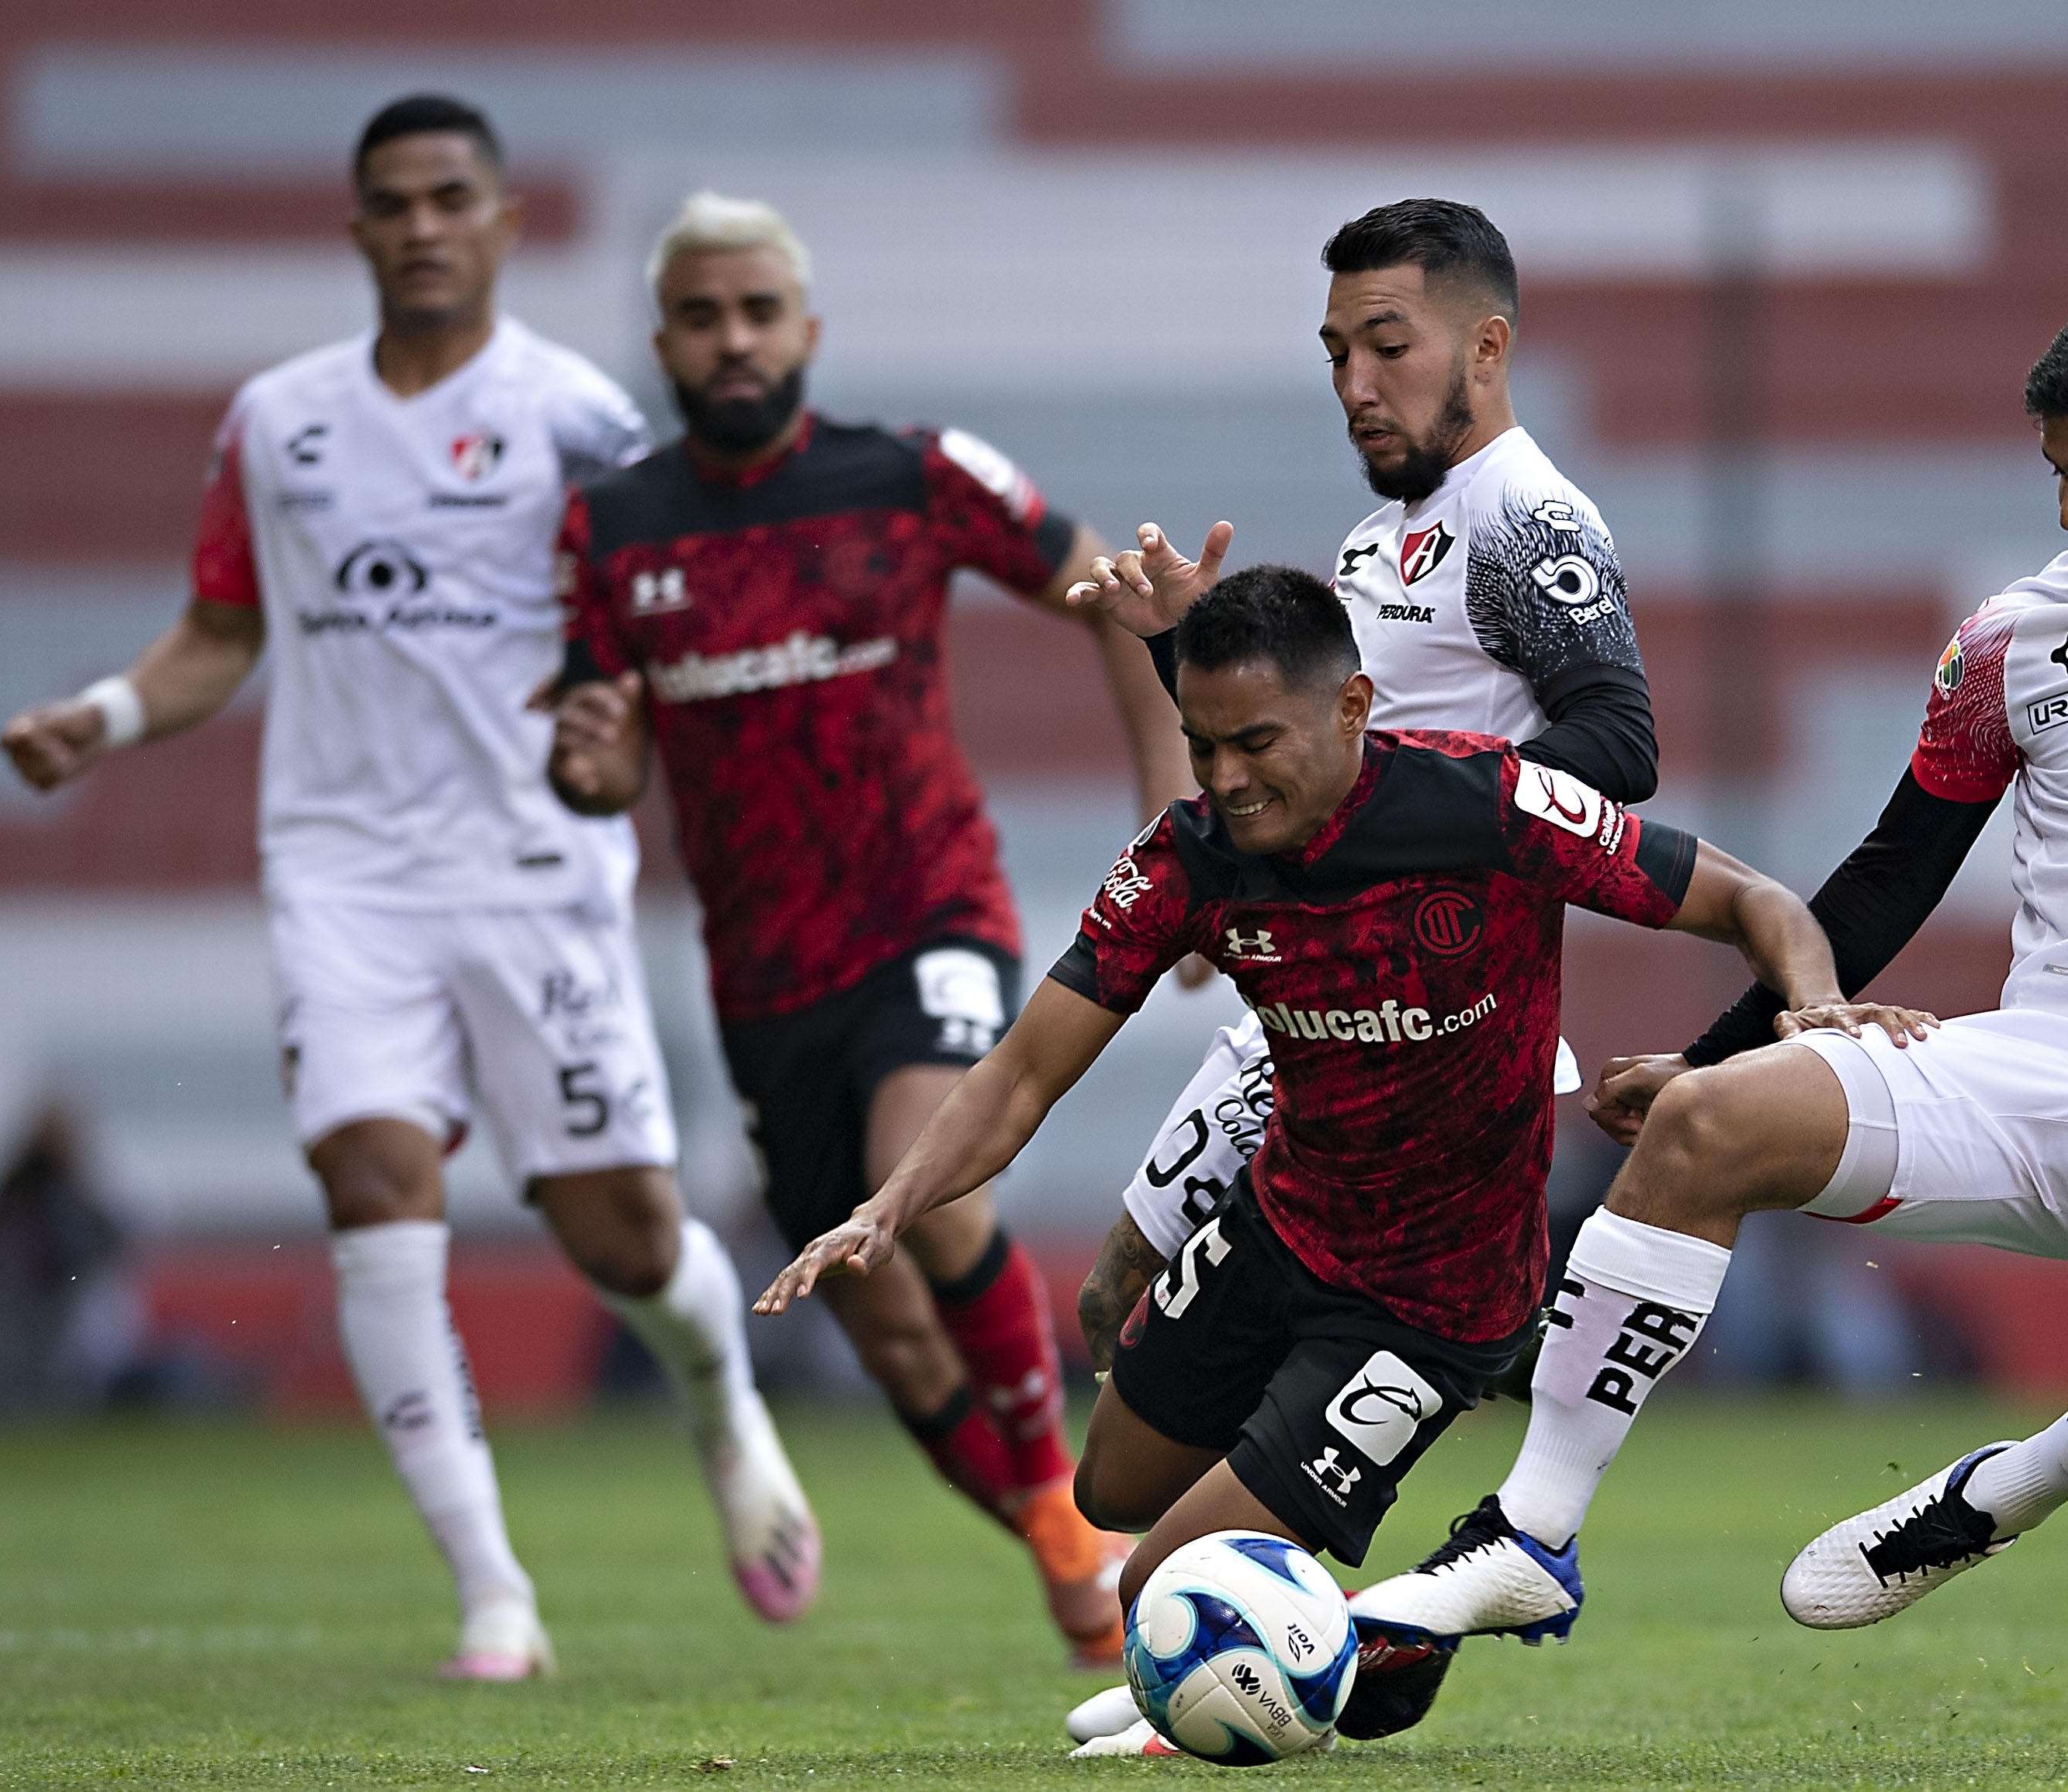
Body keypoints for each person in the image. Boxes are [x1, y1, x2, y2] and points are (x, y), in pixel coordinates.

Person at [1349, 289, 2068, 1673]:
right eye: (2057, 473)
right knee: (1708, 1130)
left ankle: (2005, 1491)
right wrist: (1710, 1056)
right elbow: (1892, 872)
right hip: (2043, 1062)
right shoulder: (2010, 643)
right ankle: (1526, 1536)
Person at [750, 566, 1922, 1755]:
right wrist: (890, 1203)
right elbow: (1018, 1073)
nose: (1225, 777)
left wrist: (1814, 1001)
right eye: (1202, 746)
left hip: (1434, 1298)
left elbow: (1756, 901)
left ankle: (1261, 1653)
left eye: (1255, 741)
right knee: (1104, 1490)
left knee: (1156, 1587)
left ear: (1355, 706)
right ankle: (1325, 1617)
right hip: (1280, 1225)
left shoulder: (1490, 807)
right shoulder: (1192, 856)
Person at [0, 99, 814, 1679]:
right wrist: (98, 718)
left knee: (625, 1237)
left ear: (503, 223)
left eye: (453, 198)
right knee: (375, 1189)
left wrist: (623, 724)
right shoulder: (275, 423)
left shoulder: (576, 417)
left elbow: (659, 622)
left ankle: (722, 1407)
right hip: (343, 874)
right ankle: (491, 1591)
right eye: (394, 202)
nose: (424, 225)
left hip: (532, 875)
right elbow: (221, 631)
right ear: (358, 227)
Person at [544, 193, 1193, 1667]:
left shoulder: (905, 475)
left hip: (928, 914)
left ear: (805, 329)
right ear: (666, 341)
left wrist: (1177, 826)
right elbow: (601, 750)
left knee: (937, 1178)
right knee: (889, 1328)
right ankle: (1059, 1534)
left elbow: (1119, 598)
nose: (732, 339)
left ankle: (1086, 1519)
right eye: (702, 317)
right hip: (764, 985)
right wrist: (588, 761)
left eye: (757, 311)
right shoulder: (614, 527)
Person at [1062, 198, 1659, 1372]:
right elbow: (1322, 765)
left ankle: (1249, 1544)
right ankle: (1203, 1556)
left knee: (1212, 1328)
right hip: (1313, 983)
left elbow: (1621, 742)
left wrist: (1428, 818)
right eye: (1339, 353)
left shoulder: (1526, 522)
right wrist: (1175, 647)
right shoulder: (1375, 543)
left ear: (1486, 349)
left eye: (1390, 346)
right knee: (1120, 1309)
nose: (1356, 383)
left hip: (1426, 1009)